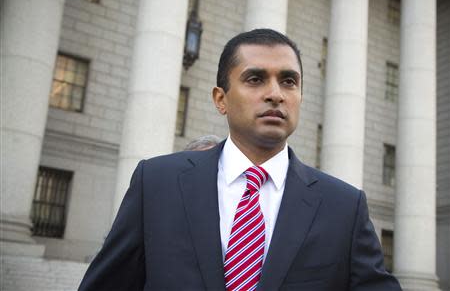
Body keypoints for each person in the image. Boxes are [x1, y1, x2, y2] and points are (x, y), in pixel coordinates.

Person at [79, 29, 402, 291]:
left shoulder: (344, 206)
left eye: (289, 81)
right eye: (255, 79)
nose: (276, 93)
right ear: (221, 99)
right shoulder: (157, 182)